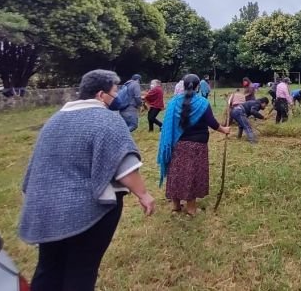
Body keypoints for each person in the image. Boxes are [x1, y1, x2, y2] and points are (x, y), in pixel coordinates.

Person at [19, 69, 155, 291]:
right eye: (114, 92)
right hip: (86, 214)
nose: (117, 97)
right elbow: (124, 167)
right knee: (81, 269)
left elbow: (36, 167)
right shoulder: (108, 120)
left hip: (44, 209)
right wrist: (144, 195)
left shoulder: (54, 120)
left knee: (48, 267)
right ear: (101, 95)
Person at [157, 74, 230, 216]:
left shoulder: (173, 103)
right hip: (197, 146)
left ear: (183, 85)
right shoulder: (202, 103)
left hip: (177, 145)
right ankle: (191, 209)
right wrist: (224, 130)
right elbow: (212, 123)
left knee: (176, 173)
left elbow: (167, 125)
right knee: (192, 174)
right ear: (198, 86)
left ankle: (176, 206)